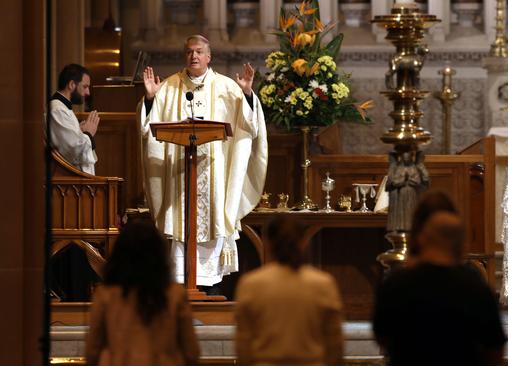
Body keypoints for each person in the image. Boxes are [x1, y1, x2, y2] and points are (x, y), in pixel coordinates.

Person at [138, 35, 268, 288]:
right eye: (189, 52)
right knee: (181, 227)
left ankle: (212, 287)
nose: (193, 56)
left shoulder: (228, 87)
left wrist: (249, 93)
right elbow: (147, 130)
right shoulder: (168, 87)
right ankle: (182, 286)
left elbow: (250, 126)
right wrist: (151, 98)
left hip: (215, 174)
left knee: (214, 222)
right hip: (180, 176)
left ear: (209, 57)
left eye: (199, 52)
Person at [373, 191, 506, 366]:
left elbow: (382, 336)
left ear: (420, 238)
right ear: (461, 243)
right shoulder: (474, 285)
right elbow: (494, 347)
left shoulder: (396, 283)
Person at [85, 219, 200, 366]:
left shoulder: (105, 295)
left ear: (120, 255)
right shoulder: (175, 294)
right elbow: (190, 350)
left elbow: (93, 349)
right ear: (159, 255)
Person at [235, 215, 343, 366]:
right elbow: (334, 342)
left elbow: (244, 343)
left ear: (267, 243)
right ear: (304, 242)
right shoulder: (323, 283)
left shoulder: (252, 283)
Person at [49, 63, 100, 175]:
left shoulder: (63, 108)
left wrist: (80, 132)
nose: (88, 93)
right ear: (72, 84)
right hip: (70, 180)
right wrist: (88, 133)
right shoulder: (57, 110)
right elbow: (73, 149)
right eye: (85, 87)